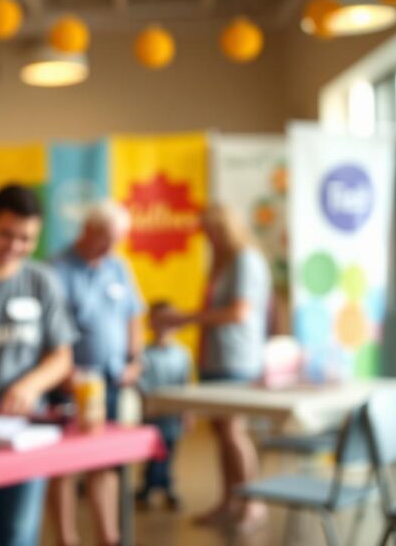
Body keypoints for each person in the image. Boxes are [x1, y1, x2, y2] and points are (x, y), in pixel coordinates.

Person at [0, 185, 76, 546]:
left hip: (23, 430)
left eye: (26, 239)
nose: (14, 246)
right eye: (6, 233)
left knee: (19, 532)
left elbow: (61, 355)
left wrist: (29, 387)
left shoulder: (41, 281)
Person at [155, 203, 271, 533]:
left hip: (237, 359)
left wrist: (185, 318)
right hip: (215, 357)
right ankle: (229, 500)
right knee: (223, 432)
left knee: (234, 431)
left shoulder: (245, 260)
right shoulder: (222, 262)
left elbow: (238, 313)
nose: (209, 239)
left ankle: (253, 503)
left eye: (213, 232)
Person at [51, 201, 144, 546]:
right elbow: (50, 331)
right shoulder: (56, 270)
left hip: (113, 378)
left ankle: (109, 535)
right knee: (63, 464)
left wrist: (135, 359)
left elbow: (134, 315)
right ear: (87, 230)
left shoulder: (118, 267)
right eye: (105, 239)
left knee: (106, 460)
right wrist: (63, 372)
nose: (110, 248)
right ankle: (66, 538)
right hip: (70, 383)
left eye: (116, 241)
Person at [135, 300, 192, 511]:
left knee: (170, 451)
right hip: (152, 414)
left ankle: (165, 486)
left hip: (173, 415)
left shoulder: (182, 354)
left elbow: (185, 384)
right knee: (153, 452)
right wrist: (146, 403)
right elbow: (141, 384)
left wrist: (187, 413)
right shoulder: (144, 354)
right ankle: (149, 487)